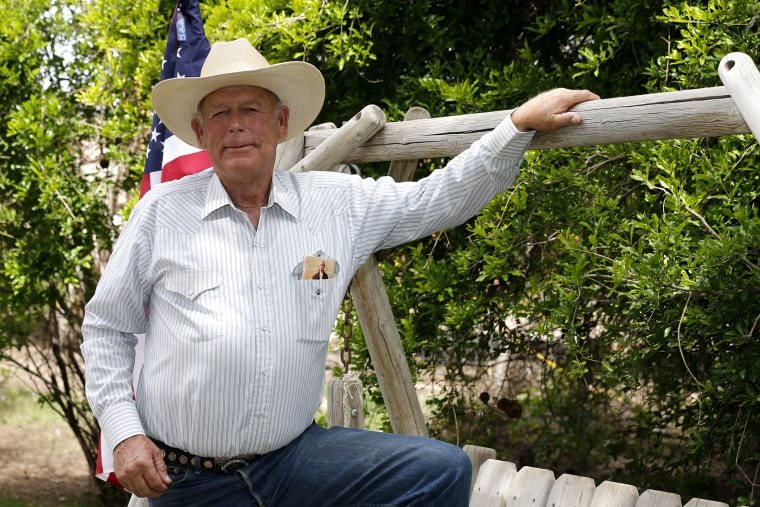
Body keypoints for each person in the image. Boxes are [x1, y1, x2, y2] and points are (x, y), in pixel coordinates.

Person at [81, 37, 599, 506]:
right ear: (199, 132)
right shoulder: (161, 212)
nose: (235, 124)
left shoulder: (337, 205)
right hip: (190, 480)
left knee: (441, 470)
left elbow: (434, 199)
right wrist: (125, 434)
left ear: (281, 124)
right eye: (219, 114)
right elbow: (107, 328)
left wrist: (517, 125)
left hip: (293, 461)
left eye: (250, 110)